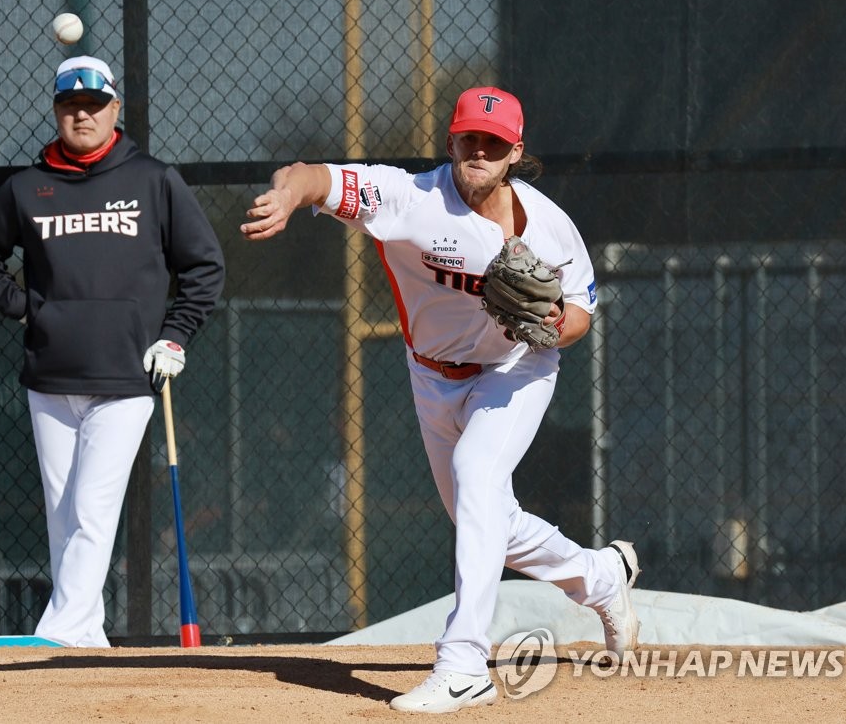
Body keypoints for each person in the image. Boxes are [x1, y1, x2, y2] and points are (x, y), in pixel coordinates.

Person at [241, 87, 639, 713]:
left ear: (516, 152)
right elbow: (313, 176)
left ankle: (464, 663)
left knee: (478, 474)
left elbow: (581, 313)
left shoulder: (552, 225)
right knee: (484, 522)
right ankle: (600, 577)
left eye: (494, 142)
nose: (480, 150)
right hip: (431, 376)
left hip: (515, 368)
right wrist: (289, 196)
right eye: (469, 138)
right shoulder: (410, 200)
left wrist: (549, 325)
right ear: (451, 141)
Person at [0, 55, 225, 647]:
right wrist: (25, 306)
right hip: (50, 375)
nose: (82, 115)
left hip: (129, 376)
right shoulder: (28, 188)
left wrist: (175, 335)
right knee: (63, 515)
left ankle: (62, 629)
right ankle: (85, 636)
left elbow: (204, 267)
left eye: (93, 105)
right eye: (71, 106)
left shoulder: (153, 180)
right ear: (57, 111)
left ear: (114, 110)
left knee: (94, 505)